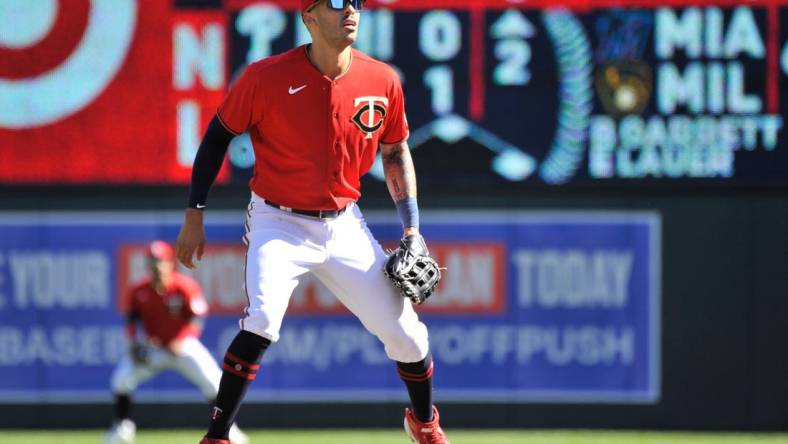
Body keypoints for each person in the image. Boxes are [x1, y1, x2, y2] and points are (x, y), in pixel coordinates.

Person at [174, 0, 450, 442]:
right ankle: (219, 435)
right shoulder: (265, 77)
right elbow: (218, 134)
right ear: (309, 16)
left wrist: (412, 230)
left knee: (409, 337)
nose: (351, 11)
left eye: (356, 2)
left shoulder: (380, 79)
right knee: (262, 320)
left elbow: (395, 151)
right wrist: (194, 213)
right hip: (277, 220)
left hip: (343, 223)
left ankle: (424, 423)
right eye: (337, 3)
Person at [105, 240, 248, 444]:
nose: (157, 265)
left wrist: (180, 340)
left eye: (160, 260)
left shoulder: (184, 286)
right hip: (153, 347)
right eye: (152, 261)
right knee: (120, 380)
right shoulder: (139, 290)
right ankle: (122, 427)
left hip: (183, 347)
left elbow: (196, 320)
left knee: (215, 383)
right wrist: (134, 346)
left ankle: (228, 429)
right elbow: (130, 323)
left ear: (169, 262)